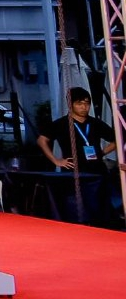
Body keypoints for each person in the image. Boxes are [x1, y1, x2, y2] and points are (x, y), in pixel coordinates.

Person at [36, 87, 118, 225]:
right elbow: (41, 140)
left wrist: (102, 152)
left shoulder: (95, 123)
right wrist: (56, 160)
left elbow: (116, 140)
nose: (84, 107)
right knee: (74, 207)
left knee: (100, 206)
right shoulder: (61, 124)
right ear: (71, 104)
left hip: (96, 170)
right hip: (72, 170)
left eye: (87, 103)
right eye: (79, 103)